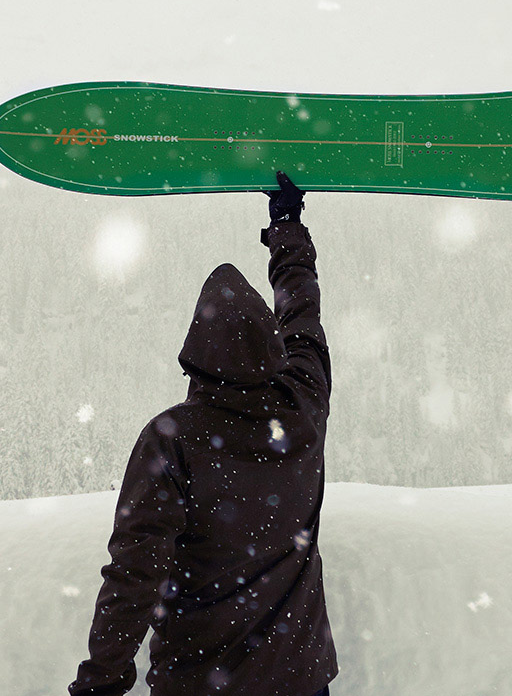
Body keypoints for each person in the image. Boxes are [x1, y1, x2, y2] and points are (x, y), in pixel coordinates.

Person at [69, 172, 336, 696]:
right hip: (299, 681)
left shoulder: (172, 440)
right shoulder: (304, 402)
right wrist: (287, 227)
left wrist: (101, 683)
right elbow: (302, 315)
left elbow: (134, 576)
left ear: (194, 349)